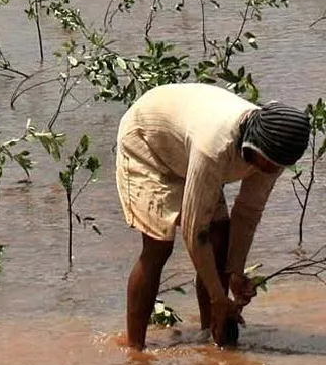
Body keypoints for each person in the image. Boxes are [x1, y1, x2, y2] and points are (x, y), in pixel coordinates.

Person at [116, 82, 310, 350]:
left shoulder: (275, 154)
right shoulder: (215, 147)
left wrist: (236, 272)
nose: (272, 171)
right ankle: (135, 350)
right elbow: (195, 232)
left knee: (220, 239)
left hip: (185, 146)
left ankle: (209, 336)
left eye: (278, 166)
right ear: (253, 146)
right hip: (147, 141)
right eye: (268, 164)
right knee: (159, 246)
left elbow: (248, 213)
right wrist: (220, 298)